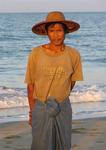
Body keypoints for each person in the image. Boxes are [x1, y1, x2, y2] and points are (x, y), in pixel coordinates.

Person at [25, 11, 83, 150]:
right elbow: (31, 85)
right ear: (46, 32)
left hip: (63, 108)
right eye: (52, 30)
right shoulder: (36, 53)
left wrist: (60, 96)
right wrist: (33, 112)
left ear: (65, 31)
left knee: (63, 145)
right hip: (41, 107)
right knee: (40, 144)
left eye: (59, 30)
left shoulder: (73, 54)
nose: (56, 34)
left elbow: (72, 81)